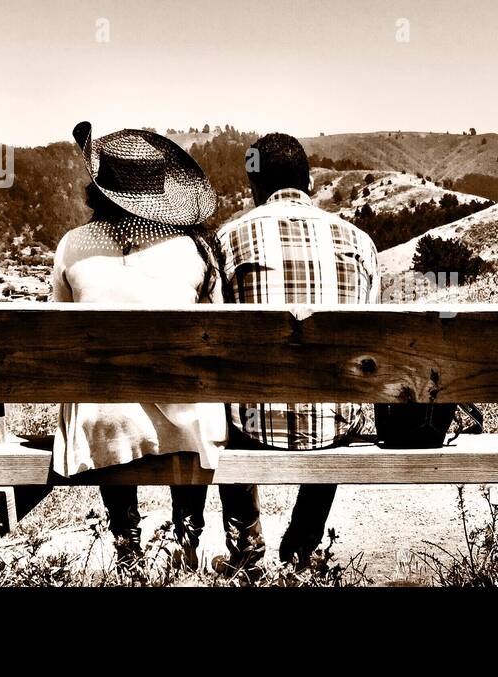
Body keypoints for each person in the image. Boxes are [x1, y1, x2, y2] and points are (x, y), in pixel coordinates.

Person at [50, 122, 262, 572]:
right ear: (161, 192)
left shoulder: (71, 246)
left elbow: (59, 329)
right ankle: (186, 536)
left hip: (102, 425)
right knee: (192, 399)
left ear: (100, 187)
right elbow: (218, 337)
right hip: (186, 427)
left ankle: (128, 546)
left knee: (105, 398)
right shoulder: (196, 249)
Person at [216, 133, 380, 570]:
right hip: (334, 429)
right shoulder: (360, 243)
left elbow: (214, 345)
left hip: (249, 428)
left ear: (254, 186)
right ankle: (303, 543)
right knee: (336, 394)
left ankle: (247, 547)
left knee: (225, 397)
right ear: (309, 181)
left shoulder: (227, 240)